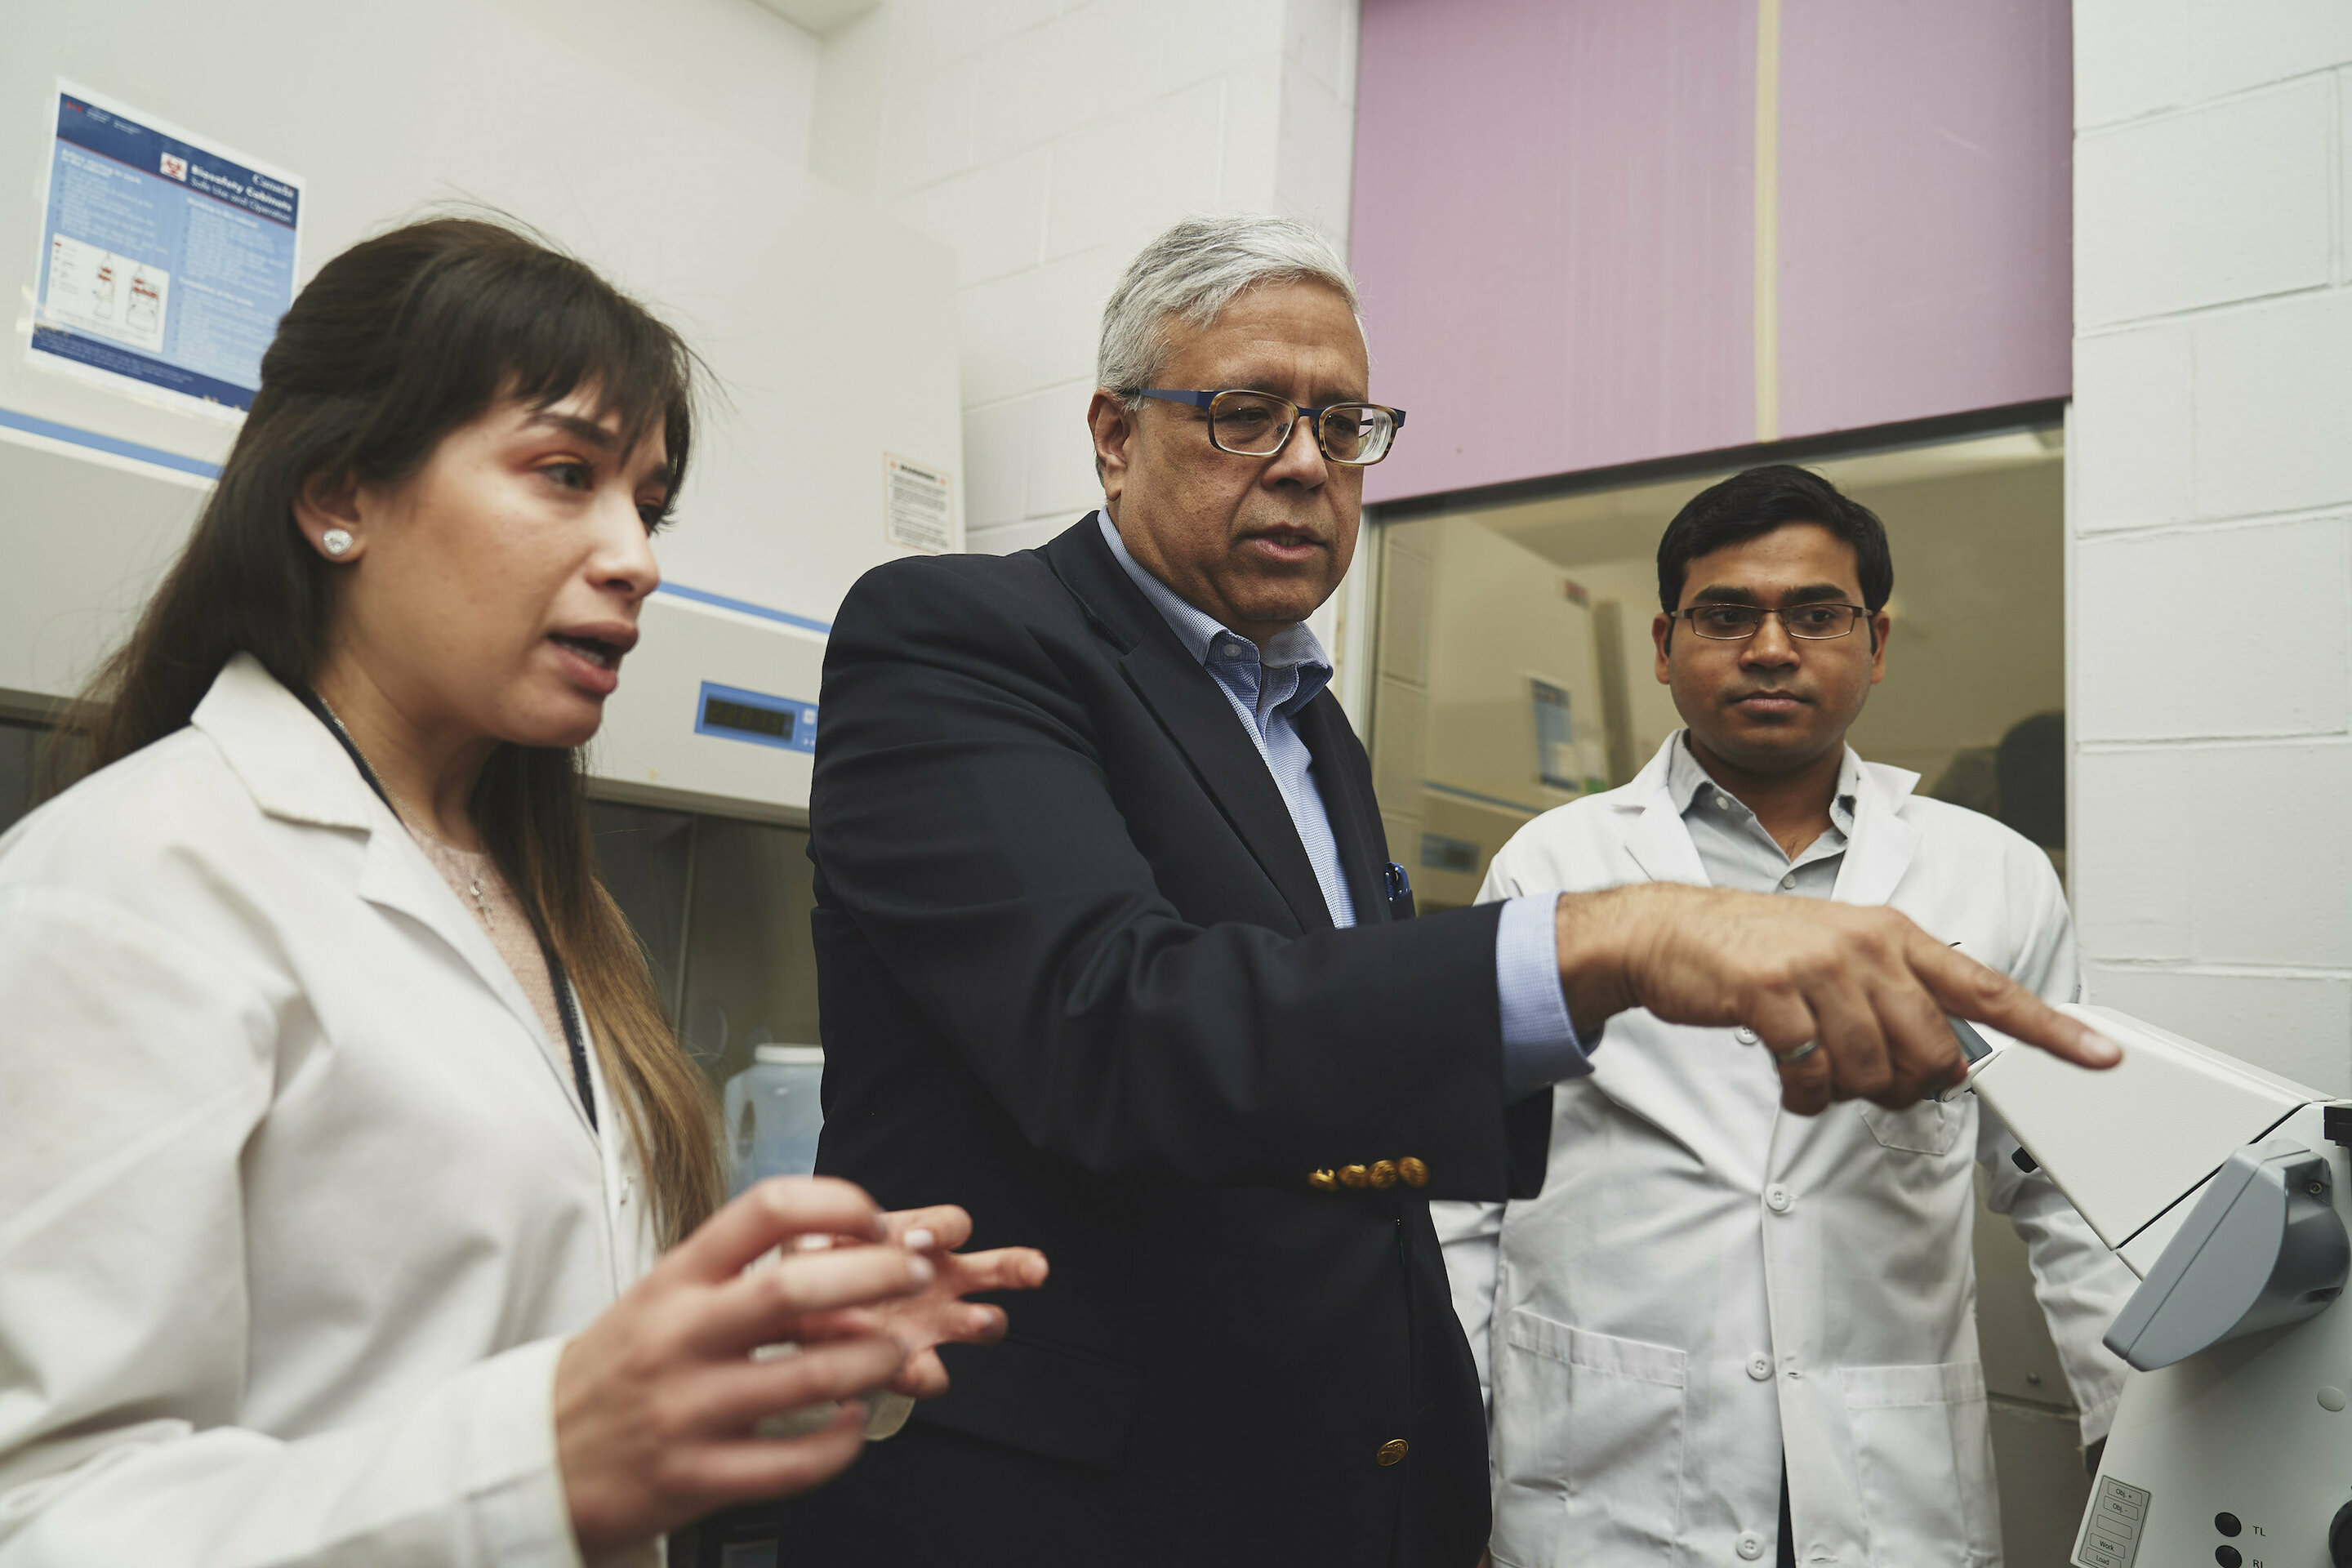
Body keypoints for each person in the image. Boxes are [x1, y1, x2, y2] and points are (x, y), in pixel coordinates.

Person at [777, 216, 2118, 1566]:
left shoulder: (1307, 728)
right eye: (1246, 415)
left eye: (1345, 424)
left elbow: (1358, 1134)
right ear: (1115, 436)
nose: (1307, 465)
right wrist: (1632, 933)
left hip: (1307, 1490)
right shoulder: (960, 634)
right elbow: (1115, 1024)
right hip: (1057, 1504)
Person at [0, 217, 1044, 1566]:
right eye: (565, 474)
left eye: (648, 505)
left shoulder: (549, 910)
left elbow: (486, 1348)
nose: (637, 557)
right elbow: (43, 1515)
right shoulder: (136, 879)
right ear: (338, 496)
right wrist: (546, 1454)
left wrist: (761, 1348)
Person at [1441, 466, 2136, 1568]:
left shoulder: (1993, 879)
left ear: (1876, 641)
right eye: (1727, 615)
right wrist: (1447, 1455)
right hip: (1602, 1475)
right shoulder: (1556, 865)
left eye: (1817, 614)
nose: (1771, 647)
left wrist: (2130, 1432)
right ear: (1666, 646)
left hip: (1886, 1484)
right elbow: (1468, 1189)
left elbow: (2064, 1194)